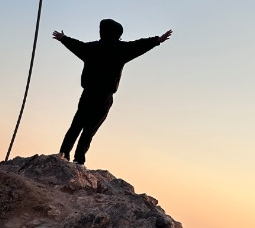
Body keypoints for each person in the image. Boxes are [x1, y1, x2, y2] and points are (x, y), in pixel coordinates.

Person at [53, 19, 172, 165]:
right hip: (104, 97)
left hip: (88, 94)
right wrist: (157, 40)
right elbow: (139, 45)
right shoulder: (121, 50)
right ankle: (78, 159)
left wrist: (63, 38)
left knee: (77, 125)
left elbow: (76, 45)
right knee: (89, 129)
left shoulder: (92, 48)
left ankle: (64, 154)